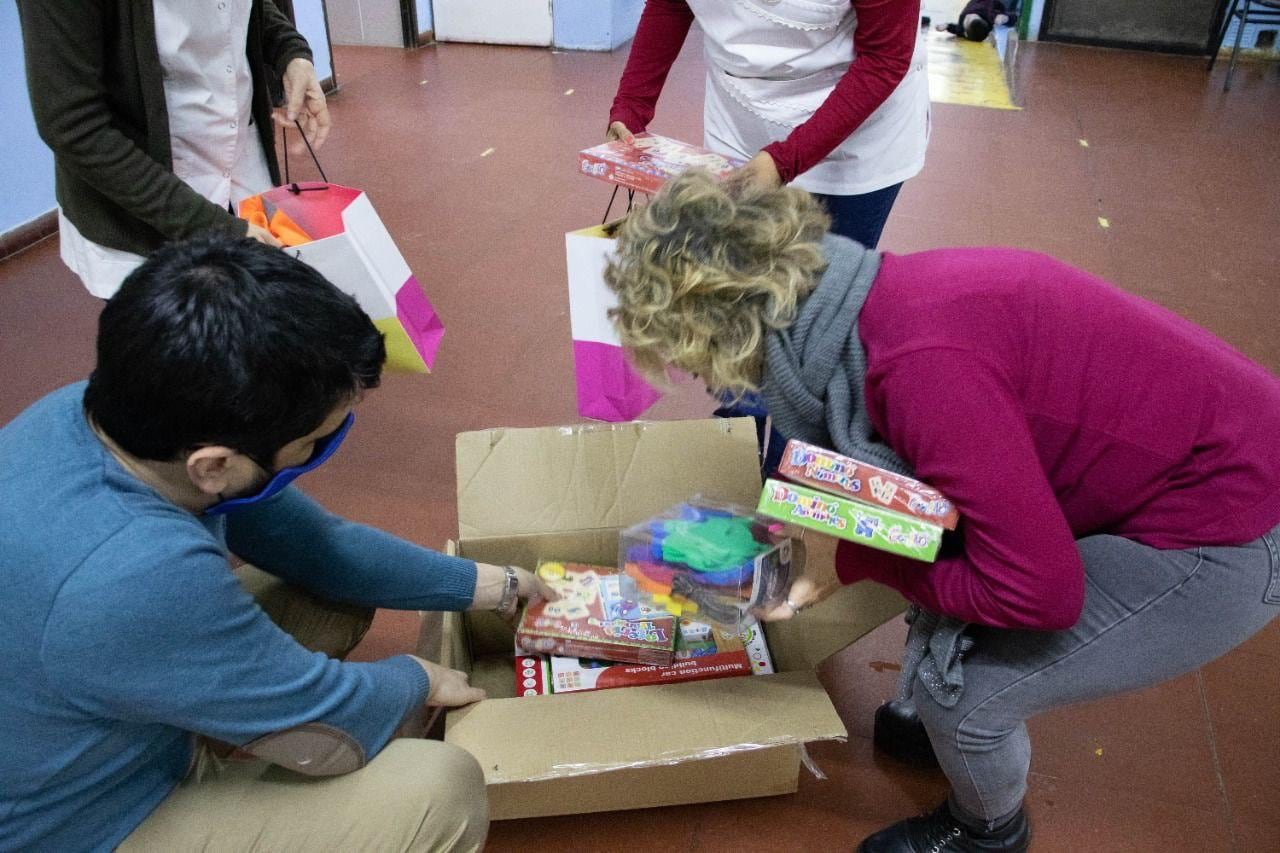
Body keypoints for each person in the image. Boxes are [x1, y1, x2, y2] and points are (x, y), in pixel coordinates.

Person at [603, 171, 1280, 852]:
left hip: (1235, 526)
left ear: (730, 334)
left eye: (701, 364)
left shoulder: (923, 373)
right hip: (1200, 456)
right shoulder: (866, 302)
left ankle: (988, 828)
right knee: (951, 624)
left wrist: (859, 558)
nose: (717, 383)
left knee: (958, 698)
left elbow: (1042, 592)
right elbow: (940, 496)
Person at [0, 235, 550, 852]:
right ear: (215, 466)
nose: (325, 447)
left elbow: (321, 549)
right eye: (316, 438)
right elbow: (331, 734)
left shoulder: (110, 415)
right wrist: (416, 680)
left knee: (327, 594)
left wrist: (494, 585)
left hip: (102, 709)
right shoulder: (135, 575)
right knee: (438, 788)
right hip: (82, 820)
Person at [17, 0, 332, 299]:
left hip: (243, 177)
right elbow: (74, 126)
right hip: (144, 211)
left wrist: (289, 51)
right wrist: (215, 228)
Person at [608, 0, 929, 249]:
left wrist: (783, 162)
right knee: (736, 275)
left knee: (825, 291)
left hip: (852, 131)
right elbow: (672, 4)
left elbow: (884, 59)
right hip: (740, 112)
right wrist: (631, 106)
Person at [936, 0, 1019, 42]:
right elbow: (1014, 18)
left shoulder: (962, 29)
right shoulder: (990, 16)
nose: (969, 15)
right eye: (974, 17)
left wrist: (946, 26)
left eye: (968, 19)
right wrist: (1005, 18)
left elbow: (956, 29)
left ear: (965, 32)